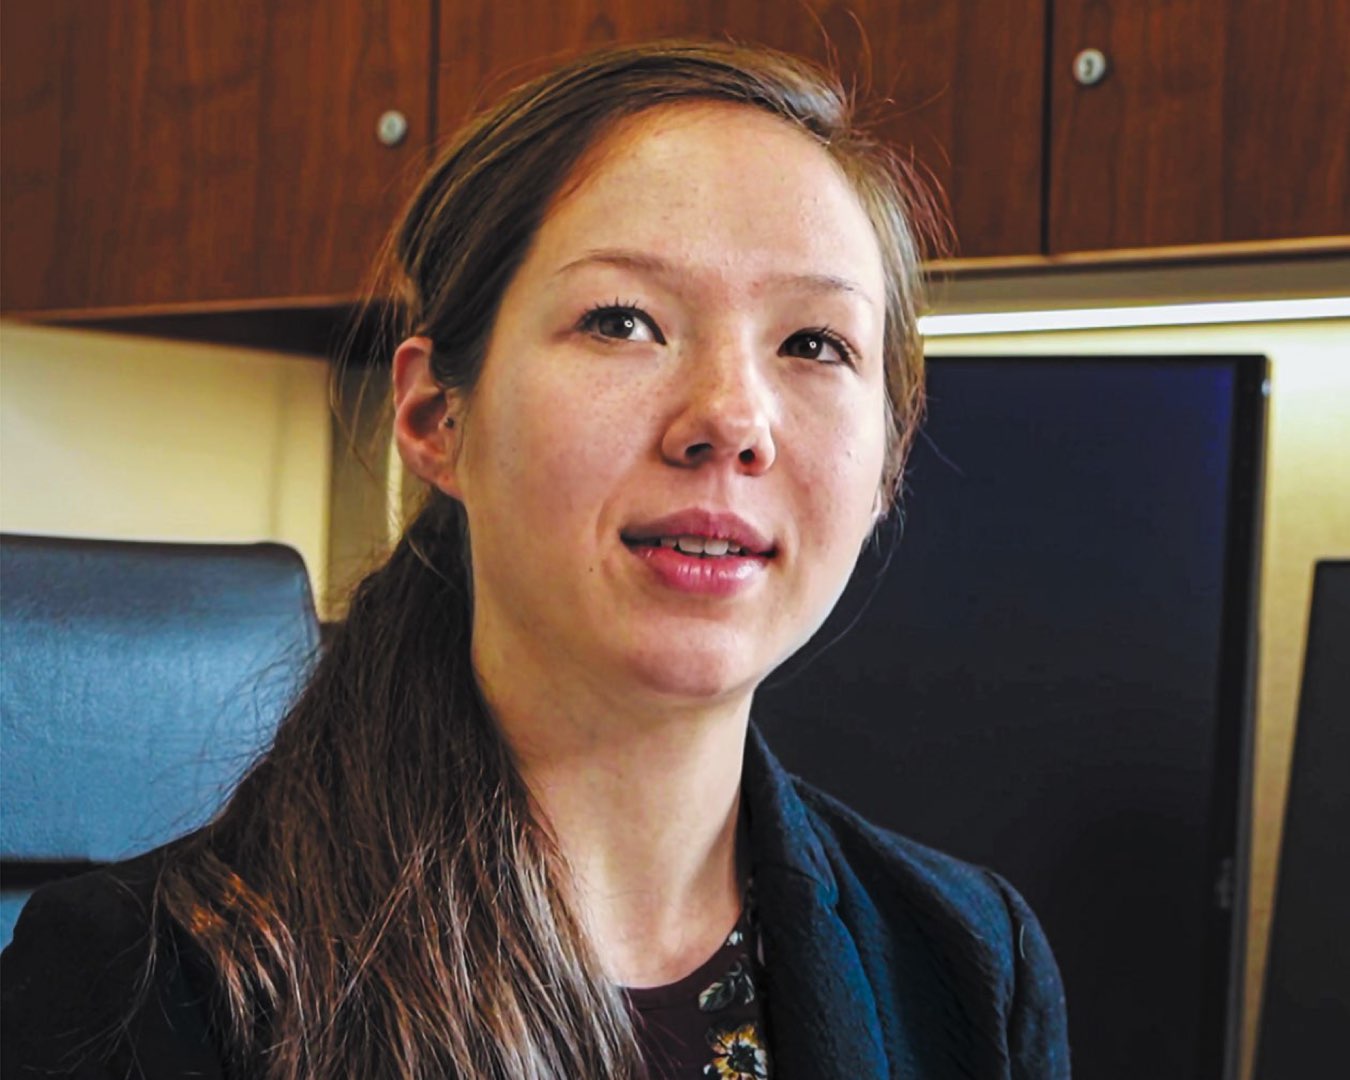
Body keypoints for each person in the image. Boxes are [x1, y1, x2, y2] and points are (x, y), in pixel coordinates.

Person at [0, 40, 1069, 1079]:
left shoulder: (969, 964)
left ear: (889, 459)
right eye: (624, 321)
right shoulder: (144, 983)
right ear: (437, 416)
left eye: (814, 344)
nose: (732, 421)